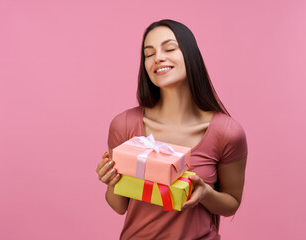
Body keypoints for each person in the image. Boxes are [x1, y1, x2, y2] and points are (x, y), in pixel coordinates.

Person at [96, 19, 248, 240]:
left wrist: (205, 193)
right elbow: (119, 205)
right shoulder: (125, 124)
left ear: (190, 55)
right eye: (149, 54)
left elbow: (231, 204)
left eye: (169, 48)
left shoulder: (226, 132)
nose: (158, 57)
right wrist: (111, 181)